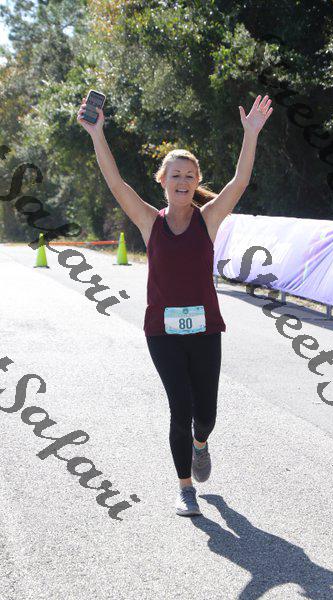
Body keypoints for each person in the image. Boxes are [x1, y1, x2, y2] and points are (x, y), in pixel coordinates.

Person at [77, 93, 273, 516]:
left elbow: (239, 181)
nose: (182, 181)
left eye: (189, 175)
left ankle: (201, 444)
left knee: (206, 414)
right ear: (163, 181)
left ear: (196, 180)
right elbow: (116, 184)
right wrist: (97, 133)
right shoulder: (150, 222)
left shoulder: (208, 219)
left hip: (205, 330)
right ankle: (185, 488)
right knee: (180, 407)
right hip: (162, 333)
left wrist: (251, 134)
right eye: (175, 175)